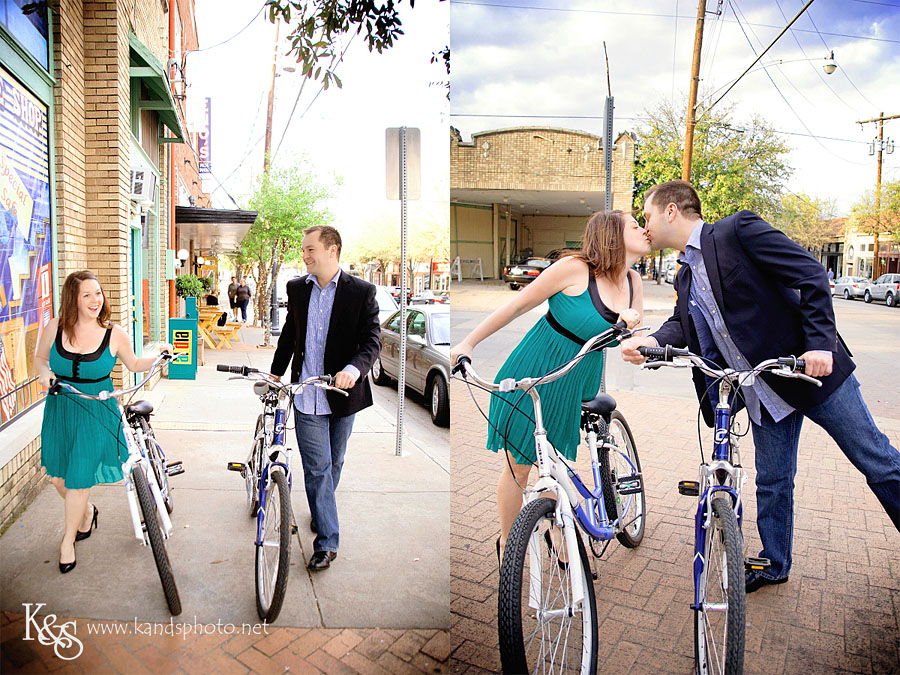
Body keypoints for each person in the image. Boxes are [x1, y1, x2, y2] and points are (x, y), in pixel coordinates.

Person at [620, 180, 900, 593]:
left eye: (647, 216)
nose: (645, 226)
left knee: (876, 459)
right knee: (773, 479)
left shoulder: (737, 231)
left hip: (809, 373)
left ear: (672, 211)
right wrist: (653, 342)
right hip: (762, 391)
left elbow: (810, 275)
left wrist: (820, 345)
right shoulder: (683, 276)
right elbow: (683, 324)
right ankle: (774, 564)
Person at [450, 210, 650, 560]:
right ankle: (509, 546)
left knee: (556, 463)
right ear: (613, 235)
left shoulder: (634, 282)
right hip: (537, 369)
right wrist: (468, 344)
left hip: (579, 377)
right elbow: (516, 306)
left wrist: (632, 333)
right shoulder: (575, 269)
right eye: (635, 225)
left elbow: (629, 345)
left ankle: (555, 530)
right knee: (521, 465)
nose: (644, 229)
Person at [34, 270, 173, 574]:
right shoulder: (55, 327)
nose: (96, 300)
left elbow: (134, 363)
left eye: (98, 293)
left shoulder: (114, 333)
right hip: (61, 409)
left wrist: (159, 357)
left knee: (79, 477)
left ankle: (68, 542)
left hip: (97, 411)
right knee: (58, 477)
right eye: (87, 294)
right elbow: (40, 359)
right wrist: (45, 374)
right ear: (73, 298)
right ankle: (87, 514)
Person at [270, 226, 380, 570]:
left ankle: (321, 510)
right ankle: (327, 544)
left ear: (332, 250)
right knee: (317, 468)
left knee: (334, 463)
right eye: (304, 250)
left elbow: (372, 341)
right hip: (306, 395)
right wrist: (276, 372)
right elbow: (291, 333)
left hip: (343, 394)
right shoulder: (296, 289)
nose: (304, 255)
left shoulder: (361, 292)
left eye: (310, 249)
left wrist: (354, 368)